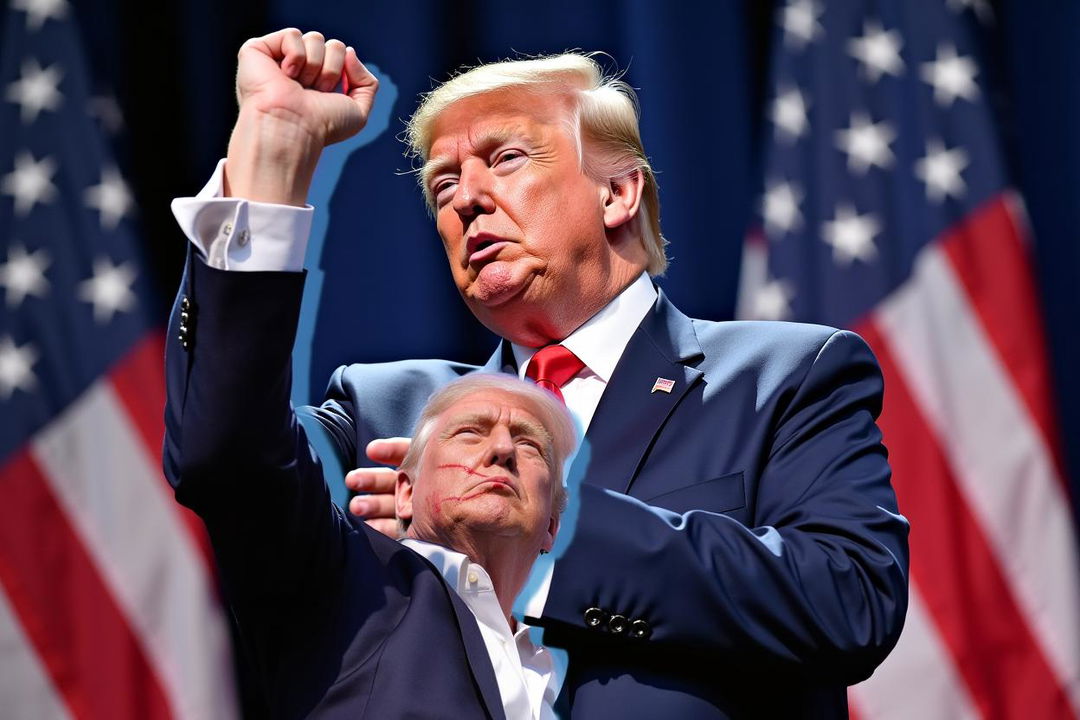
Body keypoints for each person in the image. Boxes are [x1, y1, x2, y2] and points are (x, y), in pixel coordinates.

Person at [168, 28, 909, 718]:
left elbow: (850, 601)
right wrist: (272, 154)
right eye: (442, 185)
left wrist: (554, 535)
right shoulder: (382, 413)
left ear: (618, 193)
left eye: (505, 158)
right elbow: (222, 460)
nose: (465, 198)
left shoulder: (783, 378)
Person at [166, 363, 576, 718]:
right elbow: (239, 448)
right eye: (471, 432)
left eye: (529, 444)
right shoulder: (341, 580)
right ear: (404, 493)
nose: (503, 449)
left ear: (552, 526)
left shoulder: (572, 678)